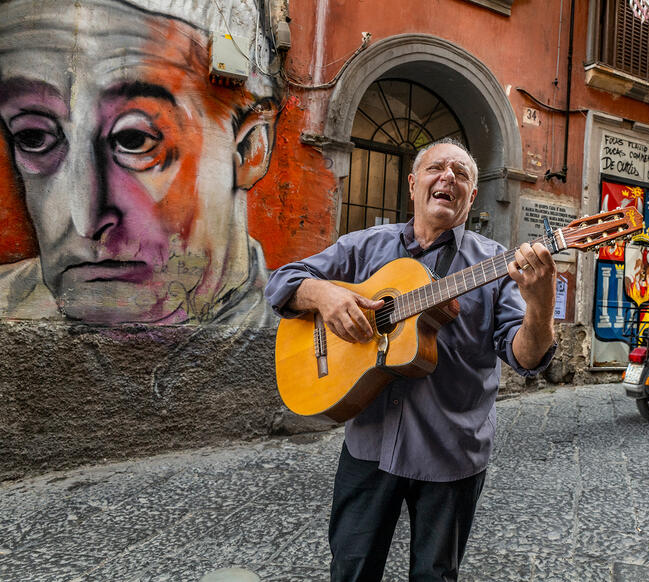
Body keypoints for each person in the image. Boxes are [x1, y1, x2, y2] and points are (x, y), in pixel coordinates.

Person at [265, 138, 557, 581]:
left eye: (461, 174)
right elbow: (283, 281)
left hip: (451, 451)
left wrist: (540, 305)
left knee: (435, 576)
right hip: (369, 446)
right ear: (413, 184)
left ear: (472, 196)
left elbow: (526, 359)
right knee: (350, 570)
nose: (448, 178)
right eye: (436, 168)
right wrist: (323, 293)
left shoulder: (496, 264)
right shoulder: (363, 248)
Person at [0, 0, 279, 325]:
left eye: (134, 140)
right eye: (34, 137)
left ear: (249, 151)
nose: (84, 221)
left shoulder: (296, 327)